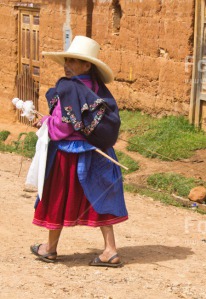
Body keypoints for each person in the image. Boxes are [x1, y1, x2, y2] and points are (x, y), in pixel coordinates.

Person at [30, 36, 128, 267]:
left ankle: (50, 248)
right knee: (99, 196)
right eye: (67, 60)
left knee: (57, 197)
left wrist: (46, 124)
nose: (67, 65)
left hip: (69, 155)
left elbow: (64, 125)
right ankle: (110, 251)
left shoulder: (68, 87)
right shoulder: (97, 88)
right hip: (98, 152)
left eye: (74, 61)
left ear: (87, 65)